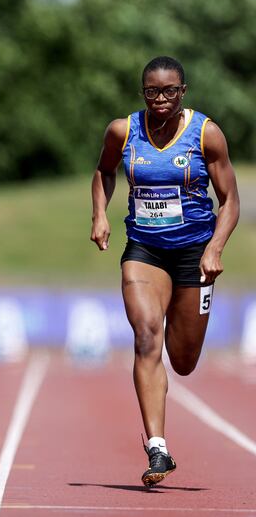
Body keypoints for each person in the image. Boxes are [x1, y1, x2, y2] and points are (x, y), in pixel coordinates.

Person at [90, 56, 239, 486]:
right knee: (145, 335)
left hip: (195, 253)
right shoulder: (123, 131)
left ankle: (169, 379)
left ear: (183, 92)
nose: (160, 99)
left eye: (169, 91)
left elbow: (230, 200)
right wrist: (100, 214)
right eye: (152, 91)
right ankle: (158, 448)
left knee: (184, 360)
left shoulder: (206, 134)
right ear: (143, 92)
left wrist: (215, 248)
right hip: (144, 249)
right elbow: (103, 171)